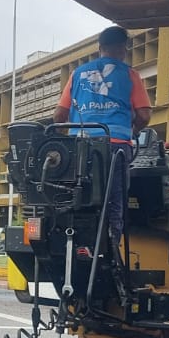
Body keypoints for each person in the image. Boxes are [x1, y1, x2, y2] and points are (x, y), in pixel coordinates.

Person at [52, 25, 152, 250]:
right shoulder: (129, 74)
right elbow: (144, 114)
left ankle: (75, 246)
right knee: (114, 202)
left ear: (100, 48)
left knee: (78, 198)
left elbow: (59, 115)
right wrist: (132, 131)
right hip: (115, 146)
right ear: (123, 49)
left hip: (80, 148)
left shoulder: (77, 74)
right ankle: (110, 250)